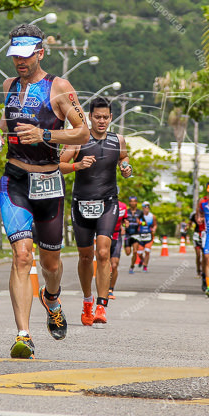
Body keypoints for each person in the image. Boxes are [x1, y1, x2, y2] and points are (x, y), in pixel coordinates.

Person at [0, 23, 90, 359]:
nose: (20, 62)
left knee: (51, 263)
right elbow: (6, 121)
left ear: (40, 53)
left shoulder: (59, 87)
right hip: (14, 180)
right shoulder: (9, 86)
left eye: (26, 56)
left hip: (49, 183)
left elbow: (83, 134)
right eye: (15, 56)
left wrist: (45, 135)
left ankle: (52, 297)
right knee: (21, 256)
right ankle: (23, 334)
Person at [59, 96, 132, 326]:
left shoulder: (118, 140)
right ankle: (87, 301)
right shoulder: (77, 139)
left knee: (103, 252)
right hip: (81, 203)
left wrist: (126, 167)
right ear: (90, 117)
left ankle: (102, 305)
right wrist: (77, 165)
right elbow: (58, 166)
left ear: (111, 117)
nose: (102, 121)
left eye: (105, 117)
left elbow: (123, 157)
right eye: (97, 117)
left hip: (108, 203)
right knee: (85, 256)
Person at [108, 199, 128, 300]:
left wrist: (126, 224)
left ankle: (110, 289)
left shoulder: (123, 206)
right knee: (104, 264)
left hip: (117, 236)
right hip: (105, 235)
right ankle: (103, 289)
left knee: (114, 265)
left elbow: (125, 219)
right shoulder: (103, 203)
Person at [132, 201, 157, 272]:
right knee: (139, 253)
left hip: (149, 236)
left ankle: (145, 266)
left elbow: (155, 225)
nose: (147, 208)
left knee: (147, 251)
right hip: (140, 236)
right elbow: (137, 223)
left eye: (148, 206)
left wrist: (154, 229)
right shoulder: (139, 216)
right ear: (143, 208)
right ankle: (142, 260)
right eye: (145, 207)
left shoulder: (152, 216)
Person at [123, 196, 142, 274]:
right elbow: (122, 222)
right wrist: (124, 226)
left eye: (134, 201)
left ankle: (132, 266)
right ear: (129, 202)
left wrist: (140, 223)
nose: (132, 203)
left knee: (135, 251)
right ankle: (135, 262)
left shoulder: (140, 212)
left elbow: (145, 223)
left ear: (136, 202)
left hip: (136, 234)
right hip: (127, 234)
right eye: (131, 201)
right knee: (128, 253)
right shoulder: (126, 212)